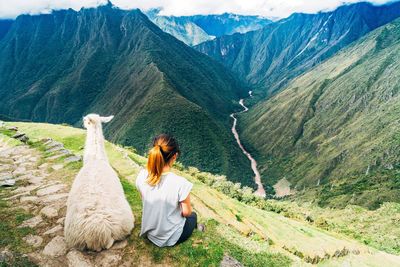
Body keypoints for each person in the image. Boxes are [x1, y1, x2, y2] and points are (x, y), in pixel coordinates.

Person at [135, 134, 198, 247]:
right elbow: (186, 213)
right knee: (193, 216)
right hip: (170, 237)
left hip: (150, 232)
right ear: (175, 156)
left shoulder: (141, 175)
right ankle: (199, 228)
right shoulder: (181, 183)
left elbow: (144, 199)